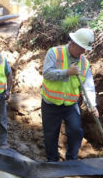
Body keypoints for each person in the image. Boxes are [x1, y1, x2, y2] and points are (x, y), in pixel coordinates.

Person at [41, 28, 99, 162]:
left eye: (85, 49)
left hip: (70, 105)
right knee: (50, 135)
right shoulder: (54, 53)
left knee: (76, 132)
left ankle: (71, 160)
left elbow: (88, 86)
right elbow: (47, 73)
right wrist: (67, 72)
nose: (84, 52)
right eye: (82, 48)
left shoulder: (84, 63)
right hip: (50, 103)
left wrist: (92, 105)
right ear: (73, 43)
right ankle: (53, 162)